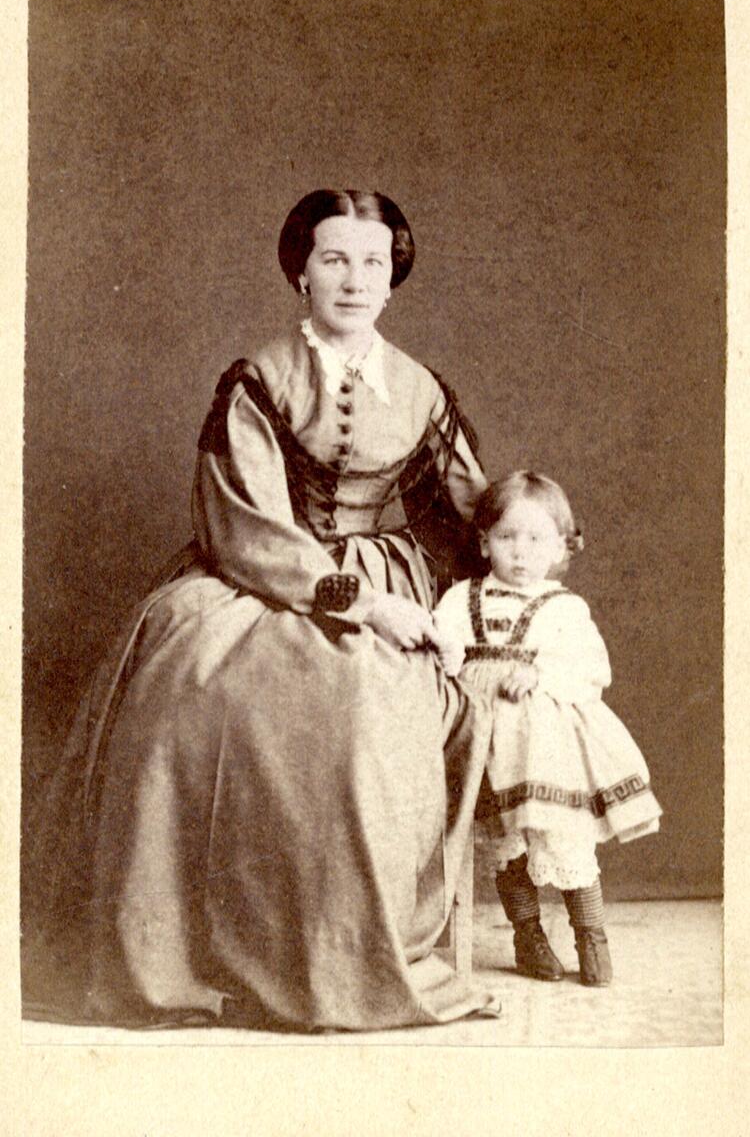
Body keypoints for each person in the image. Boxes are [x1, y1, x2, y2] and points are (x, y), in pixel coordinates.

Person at [24, 189, 501, 1032]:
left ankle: (340, 951)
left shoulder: (420, 389)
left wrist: (506, 599)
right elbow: (243, 523)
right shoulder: (258, 378)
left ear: (393, 277)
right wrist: (360, 604)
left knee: (366, 707)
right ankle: (213, 951)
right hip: (254, 579)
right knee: (191, 698)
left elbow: (469, 518)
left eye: (373, 262)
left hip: (387, 585)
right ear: (301, 273)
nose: (354, 280)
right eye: (334, 259)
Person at [433, 470, 662, 987]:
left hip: (544, 748)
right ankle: (528, 934)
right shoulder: (461, 599)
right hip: (483, 743)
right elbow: (441, 643)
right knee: (507, 847)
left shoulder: (564, 608)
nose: (521, 551)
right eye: (507, 537)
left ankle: (590, 934)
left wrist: (538, 674)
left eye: (536, 539)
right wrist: (446, 653)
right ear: (484, 542)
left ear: (561, 547)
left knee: (563, 840)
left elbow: (591, 669)